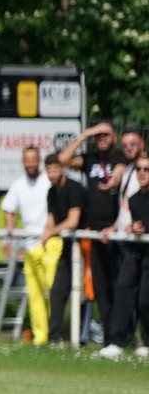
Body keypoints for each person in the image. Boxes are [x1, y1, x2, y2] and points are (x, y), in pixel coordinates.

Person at [58, 121, 127, 340]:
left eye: (106, 134)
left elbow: (120, 171)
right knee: (100, 286)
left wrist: (114, 181)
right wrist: (85, 135)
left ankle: (124, 335)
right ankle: (109, 336)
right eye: (98, 135)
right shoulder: (89, 160)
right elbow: (63, 159)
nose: (102, 138)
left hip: (118, 231)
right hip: (94, 232)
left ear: (114, 138)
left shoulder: (120, 157)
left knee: (119, 284)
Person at [1, 146, 56, 345]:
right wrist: (10, 227)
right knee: (35, 295)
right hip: (30, 245)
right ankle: (40, 337)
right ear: (23, 162)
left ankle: (55, 332)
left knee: (53, 290)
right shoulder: (18, 185)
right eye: (27, 160)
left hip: (50, 243)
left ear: (39, 160)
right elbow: (9, 208)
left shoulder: (48, 181)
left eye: (34, 159)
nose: (31, 163)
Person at [99, 155, 149, 360]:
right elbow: (137, 223)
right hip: (136, 250)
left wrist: (139, 227)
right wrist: (132, 227)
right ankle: (116, 341)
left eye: (146, 169)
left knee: (145, 299)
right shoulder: (134, 198)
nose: (142, 173)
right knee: (122, 288)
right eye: (139, 169)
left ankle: (147, 341)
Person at [44, 154, 87, 344]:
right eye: (49, 170)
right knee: (57, 291)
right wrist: (47, 232)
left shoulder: (74, 189)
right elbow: (51, 220)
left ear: (62, 169)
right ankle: (54, 338)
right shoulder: (51, 192)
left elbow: (73, 221)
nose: (52, 174)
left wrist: (50, 232)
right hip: (68, 247)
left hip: (84, 247)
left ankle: (82, 337)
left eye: (56, 169)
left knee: (83, 294)